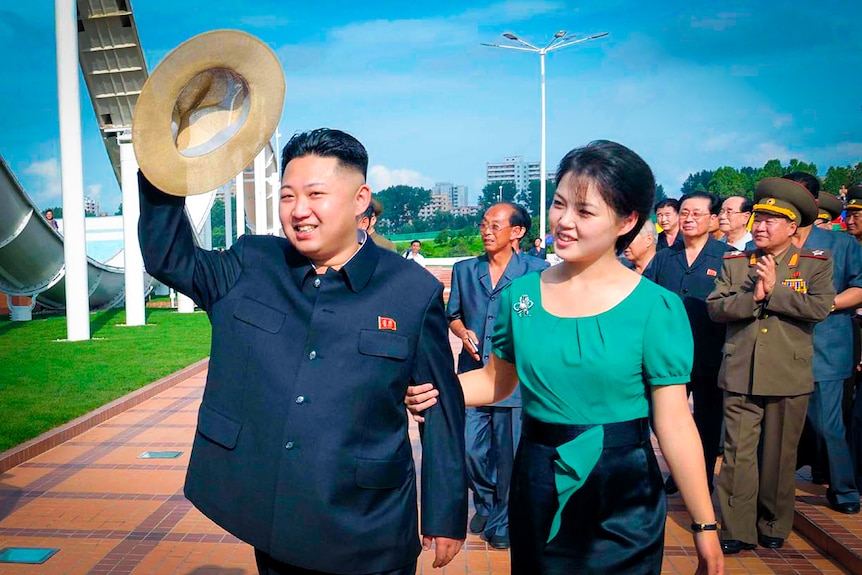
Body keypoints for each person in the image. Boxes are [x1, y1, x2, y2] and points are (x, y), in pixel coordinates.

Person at [138, 128, 467, 575]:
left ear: (359, 200)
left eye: (316, 194)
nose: (299, 211)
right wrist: (162, 167)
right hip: (278, 520)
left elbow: (441, 407)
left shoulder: (412, 291)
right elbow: (168, 258)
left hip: (368, 527)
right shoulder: (252, 264)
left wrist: (445, 513)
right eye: (288, 196)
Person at [408, 141, 723, 575]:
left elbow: (673, 421)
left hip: (622, 489)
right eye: (559, 204)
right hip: (538, 478)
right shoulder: (522, 297)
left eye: (585, 211)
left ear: (628, 220)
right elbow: (497, 381)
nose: (564, 222)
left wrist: (705, 527)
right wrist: (432, 391)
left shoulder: (656, 307)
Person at [706, 177, 835, 554]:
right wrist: (754, 295)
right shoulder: (734, 263)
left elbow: (818, 308)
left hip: (786, 374)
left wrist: (775, 291)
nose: (759, 227)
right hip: (740, 371)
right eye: (757, 219)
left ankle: (774, 522)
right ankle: (736, 528)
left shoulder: (814, 266)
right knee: (736, 455)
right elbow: (716, 307)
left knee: (780, 455)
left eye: (770, 221)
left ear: (792, 227)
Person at [448, 202, 548, 550]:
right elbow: (454, 314)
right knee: (470, 449)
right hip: (473, 374)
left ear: (517, 232)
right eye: (483, 225)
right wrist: (462, 333)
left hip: (514, 381)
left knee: (509, 455)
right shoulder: (464, 270)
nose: (487, 231)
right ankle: (487, 504)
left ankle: (503, 518)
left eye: (496, 225)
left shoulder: (536, 271)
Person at [782, 172, 862, 515]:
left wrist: (824, 304)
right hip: (780, 346)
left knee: (828, 424)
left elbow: (859, 288)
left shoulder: (842, 244)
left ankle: (843, 490)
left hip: (826, 345)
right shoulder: (770, 242)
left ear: (813, 203)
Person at [644, 191, 731, 495]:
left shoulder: (728, 256)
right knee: (662, 417)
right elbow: (646, 298)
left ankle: (701, 477)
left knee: (708, 421)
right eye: (684, 213)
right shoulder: (664, 257)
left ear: (712, 219)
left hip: (711, 353)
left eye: (696, 214)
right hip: (669, 356)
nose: (689, 219)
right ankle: (678, 469)